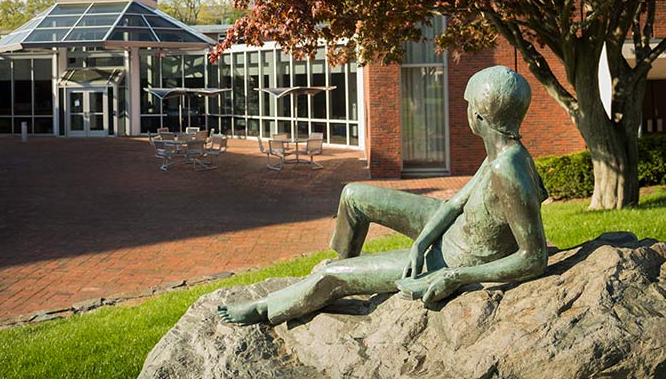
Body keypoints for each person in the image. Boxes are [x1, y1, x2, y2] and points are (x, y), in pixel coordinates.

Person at [218, 65, 548, 326]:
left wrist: (453, 276)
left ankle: (266, 307)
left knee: (330, 277)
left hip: (457, 257)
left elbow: (533, 258)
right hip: (453, 230)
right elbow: (454, 203)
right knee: (353, 195)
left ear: (477, 115)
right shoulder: (500, 149)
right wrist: (420, 241)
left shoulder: (509, 170)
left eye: (466, 106)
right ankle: (350, 265)